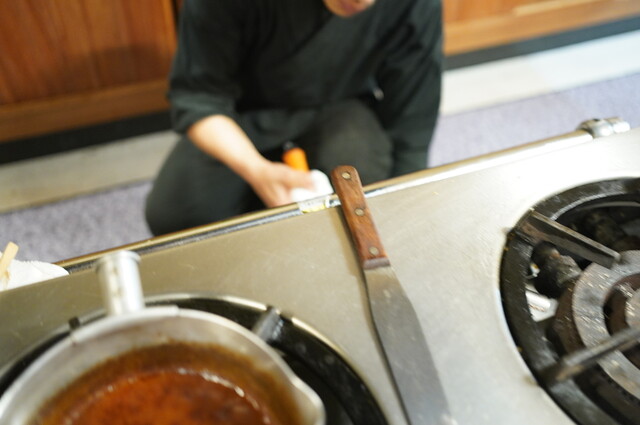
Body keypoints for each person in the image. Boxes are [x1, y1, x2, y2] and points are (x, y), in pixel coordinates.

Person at [145, 0, 443, 236]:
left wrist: (403, 206)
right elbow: (199, 96)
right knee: (176, 217)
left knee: (366, 193)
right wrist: (256, 170)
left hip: (341, 105)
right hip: (240, 116)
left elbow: (413, 116)